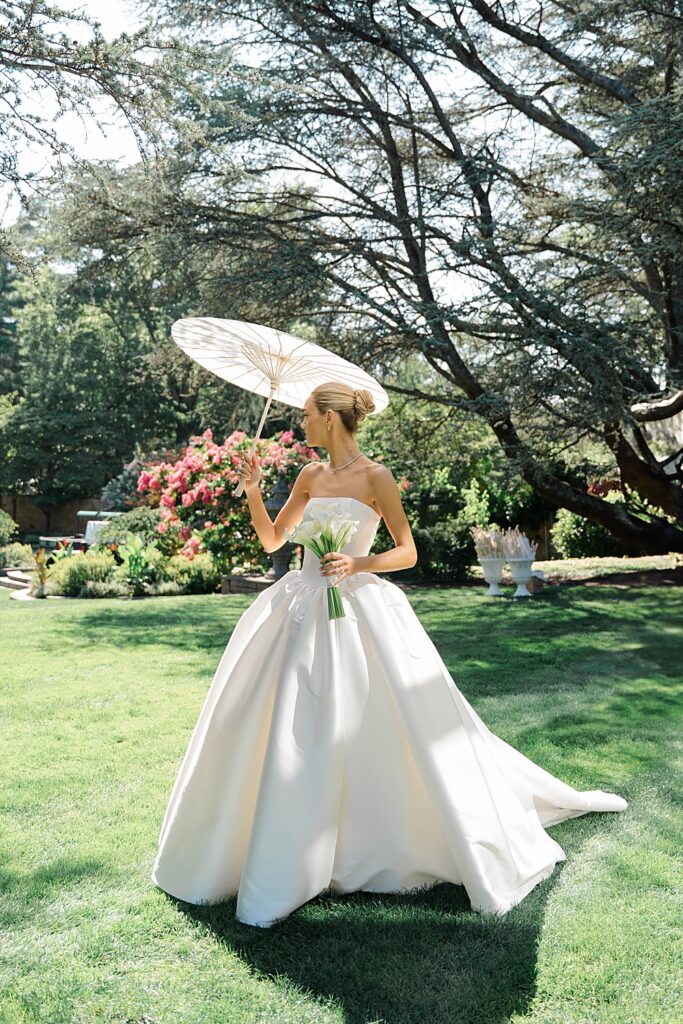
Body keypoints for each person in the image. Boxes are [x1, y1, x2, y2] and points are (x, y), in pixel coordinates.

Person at [151, 380, 628, 927]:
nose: (301, 424)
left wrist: (357, 565)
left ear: (330, 419)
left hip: (356, 608)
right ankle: (283, 843)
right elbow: (272, 543)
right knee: (283, 724)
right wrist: (255, 492)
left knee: (375, 720)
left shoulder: (376, 477)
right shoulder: (309, 475)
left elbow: (407, 550)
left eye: (307, 415)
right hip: (298, 607)